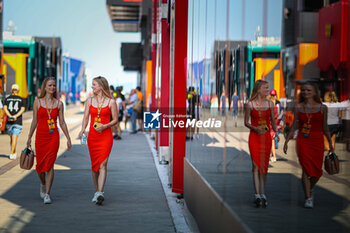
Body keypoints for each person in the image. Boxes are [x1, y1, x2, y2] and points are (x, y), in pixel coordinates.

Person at [283, 82, 333, 209]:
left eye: (308, 90)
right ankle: (308, 198)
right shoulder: (299, 107)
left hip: (317, 141)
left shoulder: (323, 108)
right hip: (303, 141)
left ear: (315, 92)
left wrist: (330, 144)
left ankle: (309, 189)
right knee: (306, 169)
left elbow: (325, 127)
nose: (305, 92)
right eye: (303, 90)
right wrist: (286, 141)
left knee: (317, 172)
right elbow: (294, 125)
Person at [26, 77, 72, 204]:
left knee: (50, 164)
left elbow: (62, 122)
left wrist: (68, 138)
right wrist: (29, 137)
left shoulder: (59, 104)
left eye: (54, 86)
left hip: (53, 138)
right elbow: (34, 121)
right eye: (50, 85)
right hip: (40, 137)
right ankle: (42, 183)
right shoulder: (37, 102)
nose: (52, 88)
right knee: (40, 167)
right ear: (44, 87)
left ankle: (47, 194)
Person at [78, 76, 118, 205]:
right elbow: (85, 118)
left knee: (103, 164)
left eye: (94, 84)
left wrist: (105, 126)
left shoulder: (111, 102)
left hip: (106, 136)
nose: (92, 87)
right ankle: (97, 192)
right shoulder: (89, 101)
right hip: (93, 137)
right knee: (95, 166)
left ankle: (100, 192)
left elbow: (115, 119)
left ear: (101, 86)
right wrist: (82, 129)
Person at [244, 80, 277, 208]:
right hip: (254, 137)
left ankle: (263, 193)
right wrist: (255, 128)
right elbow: (246, 122)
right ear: (258, 89)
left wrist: (276, 133)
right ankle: (258, 195)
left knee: (264, 167)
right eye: (265, 88)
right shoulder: (250, 105)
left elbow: (273, 121)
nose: (268, 90)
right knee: (256, 166)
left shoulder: (270, 104)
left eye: (268, 87)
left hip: (266, 138)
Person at [4, 84, 26, 160]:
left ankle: (13, 152)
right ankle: (12, 152)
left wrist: (10, 115)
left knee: (12, 138)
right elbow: (22, 109)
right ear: (18, 91)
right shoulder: (22, 99)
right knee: (14, 138)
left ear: (11, 90)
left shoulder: (7, 99)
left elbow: (5, 108)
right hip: (17, 121)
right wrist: (15, 116)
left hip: (9, 121)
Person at [268, 89, 282, 163]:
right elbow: (280, 114)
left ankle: (273, 156)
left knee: (271, 142)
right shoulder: (278, 104)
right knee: (273, 141)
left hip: (271, 125)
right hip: (275, 125)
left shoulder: (269, 104)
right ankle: (273, 155)